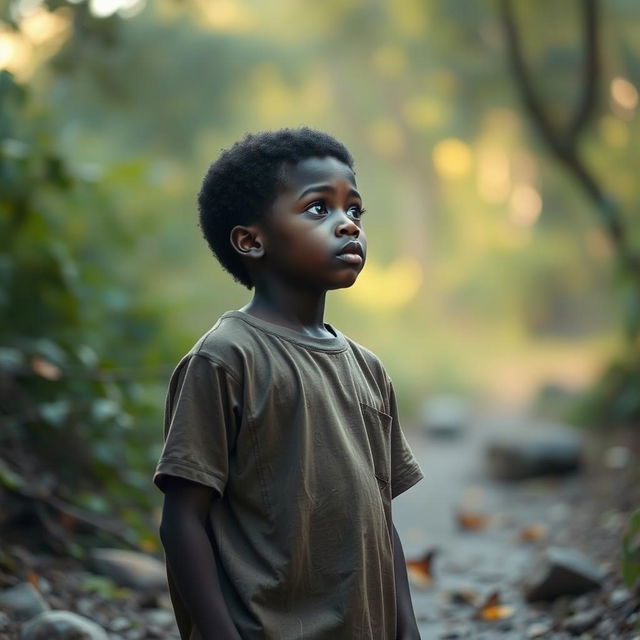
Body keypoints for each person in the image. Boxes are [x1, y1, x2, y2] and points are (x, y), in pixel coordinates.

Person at [154, 127, 424, 640]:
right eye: (319, 208)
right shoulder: (226, 358)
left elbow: (379, 524)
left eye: (355, 210)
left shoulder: (367, 368)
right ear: (251, 240)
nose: (348, 225)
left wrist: (405, 628)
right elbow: (182, 521)